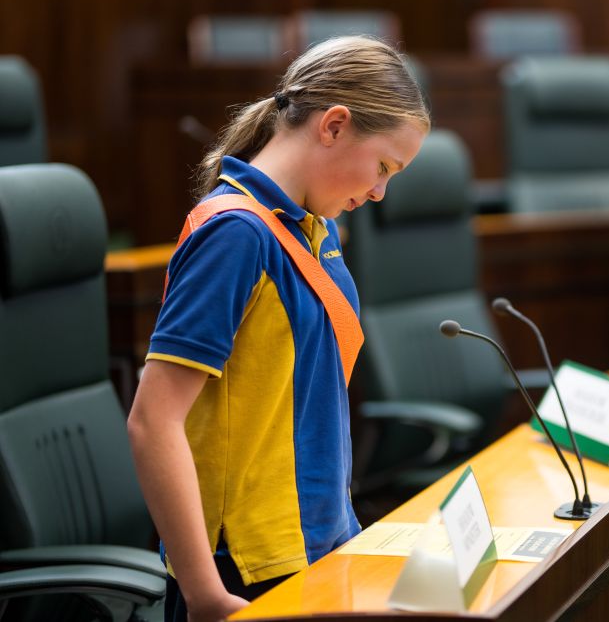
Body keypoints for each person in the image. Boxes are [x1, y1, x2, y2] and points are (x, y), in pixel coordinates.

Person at [127, 36, 429, 622]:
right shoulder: (237, 235)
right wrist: (204, 593)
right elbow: (151, 421)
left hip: (319, 542)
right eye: (384, 167)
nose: (378, 192)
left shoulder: (314, 228)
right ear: (335, 125)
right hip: (244, 570)